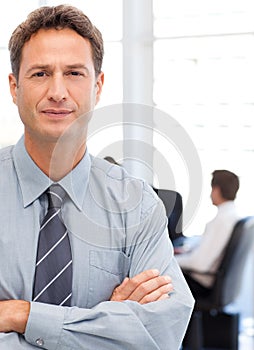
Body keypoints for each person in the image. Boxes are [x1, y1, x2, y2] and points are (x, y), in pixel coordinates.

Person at [0, 5, 194, 349]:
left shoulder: (138, 207)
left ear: (98, 86)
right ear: (14, 87)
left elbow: (161, 334)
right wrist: (108, 325)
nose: (58, 91)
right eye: (40, 74)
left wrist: (22, 316)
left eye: (74, 73)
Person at [175, 169, 241, 298]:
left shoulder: (222, 221)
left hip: (201, 283)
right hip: (218, 282)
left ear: (216, 190)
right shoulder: (232, 216)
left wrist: (170, 260)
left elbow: (199, 264)